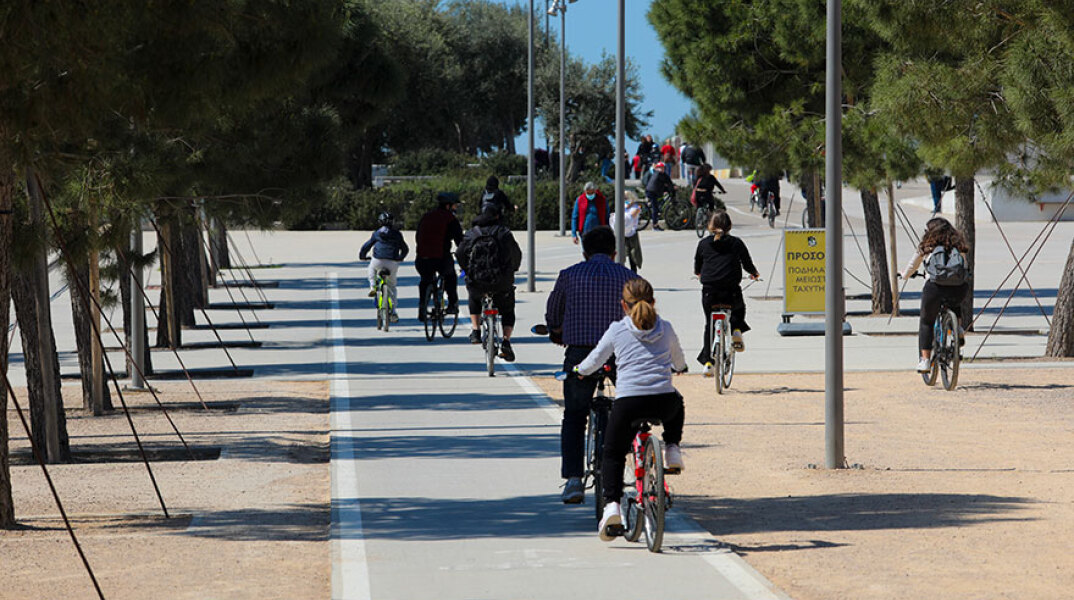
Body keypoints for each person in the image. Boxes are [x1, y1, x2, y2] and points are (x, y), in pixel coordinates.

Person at [572, 278, 687, 540]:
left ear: (623, 305)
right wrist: (680, 368)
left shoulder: (618, 329)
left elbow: (595, 359)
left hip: (629, 403)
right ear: (653, 302)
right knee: (677, 403)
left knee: (612, 453)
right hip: (662, 401)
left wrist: (579, 371)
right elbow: (678, 358)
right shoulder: (666, 328)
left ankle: (612, 505)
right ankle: (672, 449)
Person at [545, 226, 638, 504]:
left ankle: (573, 480)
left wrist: (557, 331)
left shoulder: (568, 275)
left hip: (581, 355)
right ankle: (634, 467)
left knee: (574, 415)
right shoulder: (630, 278)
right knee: (632, 410)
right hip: (621, 354)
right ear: (615, 252)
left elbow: (553, 315)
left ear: (584, 252)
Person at [899, 217, 971, 372]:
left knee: (927, 322)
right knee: (954, 302)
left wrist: (904, 275)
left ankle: (925, 360)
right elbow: (964, 267)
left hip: (935, 289)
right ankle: (958, 328)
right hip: (959, 289)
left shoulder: (927, 247)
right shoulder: (959, 246)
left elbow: (912, 265)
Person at [694, 210, 759, 374]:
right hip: (730, 290)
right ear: (729, 226)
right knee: (738, 308)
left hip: (710, 291)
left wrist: (699, 274)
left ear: (710, 226)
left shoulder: (703, 244)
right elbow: (747, 263)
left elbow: (697, 265)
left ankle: (708, 363)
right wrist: (754, 273)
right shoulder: (736, 243)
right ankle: (737, 329)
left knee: (709, 324)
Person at [456, 206, 522, 361]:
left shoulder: (472, 234)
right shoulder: (504, 233)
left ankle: (475, 330)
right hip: (501, 281)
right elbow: (516, 254)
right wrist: (513, 269)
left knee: (473, 296)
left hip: (477, 281)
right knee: (507, 309)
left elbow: (459, 253)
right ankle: (506, 341)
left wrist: (467, 269)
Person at [415, 192, 464, 321]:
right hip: (440, 257)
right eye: (454, 206)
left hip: (422, 257)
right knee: (450, 277)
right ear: (448, 206)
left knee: (425, 280)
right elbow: (460, 240)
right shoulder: (449, 218)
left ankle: (422, 307)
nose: (456, 208)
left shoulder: (426, 216)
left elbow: (417, 236)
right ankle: (452, 304)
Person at [359, 211, 409, 323]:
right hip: (392, 262)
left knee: (371, 269)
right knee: (392, 287)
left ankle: (372, 286)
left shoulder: (376, 233)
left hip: (378, 261)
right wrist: (400, 257)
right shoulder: (397, 234)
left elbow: (366, 246)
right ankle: (394, 312)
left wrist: (362, 256)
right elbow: (405, 249)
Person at [610, 196, 643, 272]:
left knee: (633, 256)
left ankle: (633, 273)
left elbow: (630, 217)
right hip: (623, 235)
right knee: (621, 255)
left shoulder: (635, 207)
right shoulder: (620, 206)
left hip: (631, 234)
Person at [644, 162, 675, 231]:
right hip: (652, 192)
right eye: (661, 168)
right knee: (655, 209)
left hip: (652, 191)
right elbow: (668, 181)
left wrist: (671, 186)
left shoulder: (657, 173)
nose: (662, 169)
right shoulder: (659, 174)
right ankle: (655, 226)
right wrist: (672, 188)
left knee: (657, 206)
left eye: (663, 168)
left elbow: (667, 181)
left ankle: (655, 222)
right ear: (658, 168)